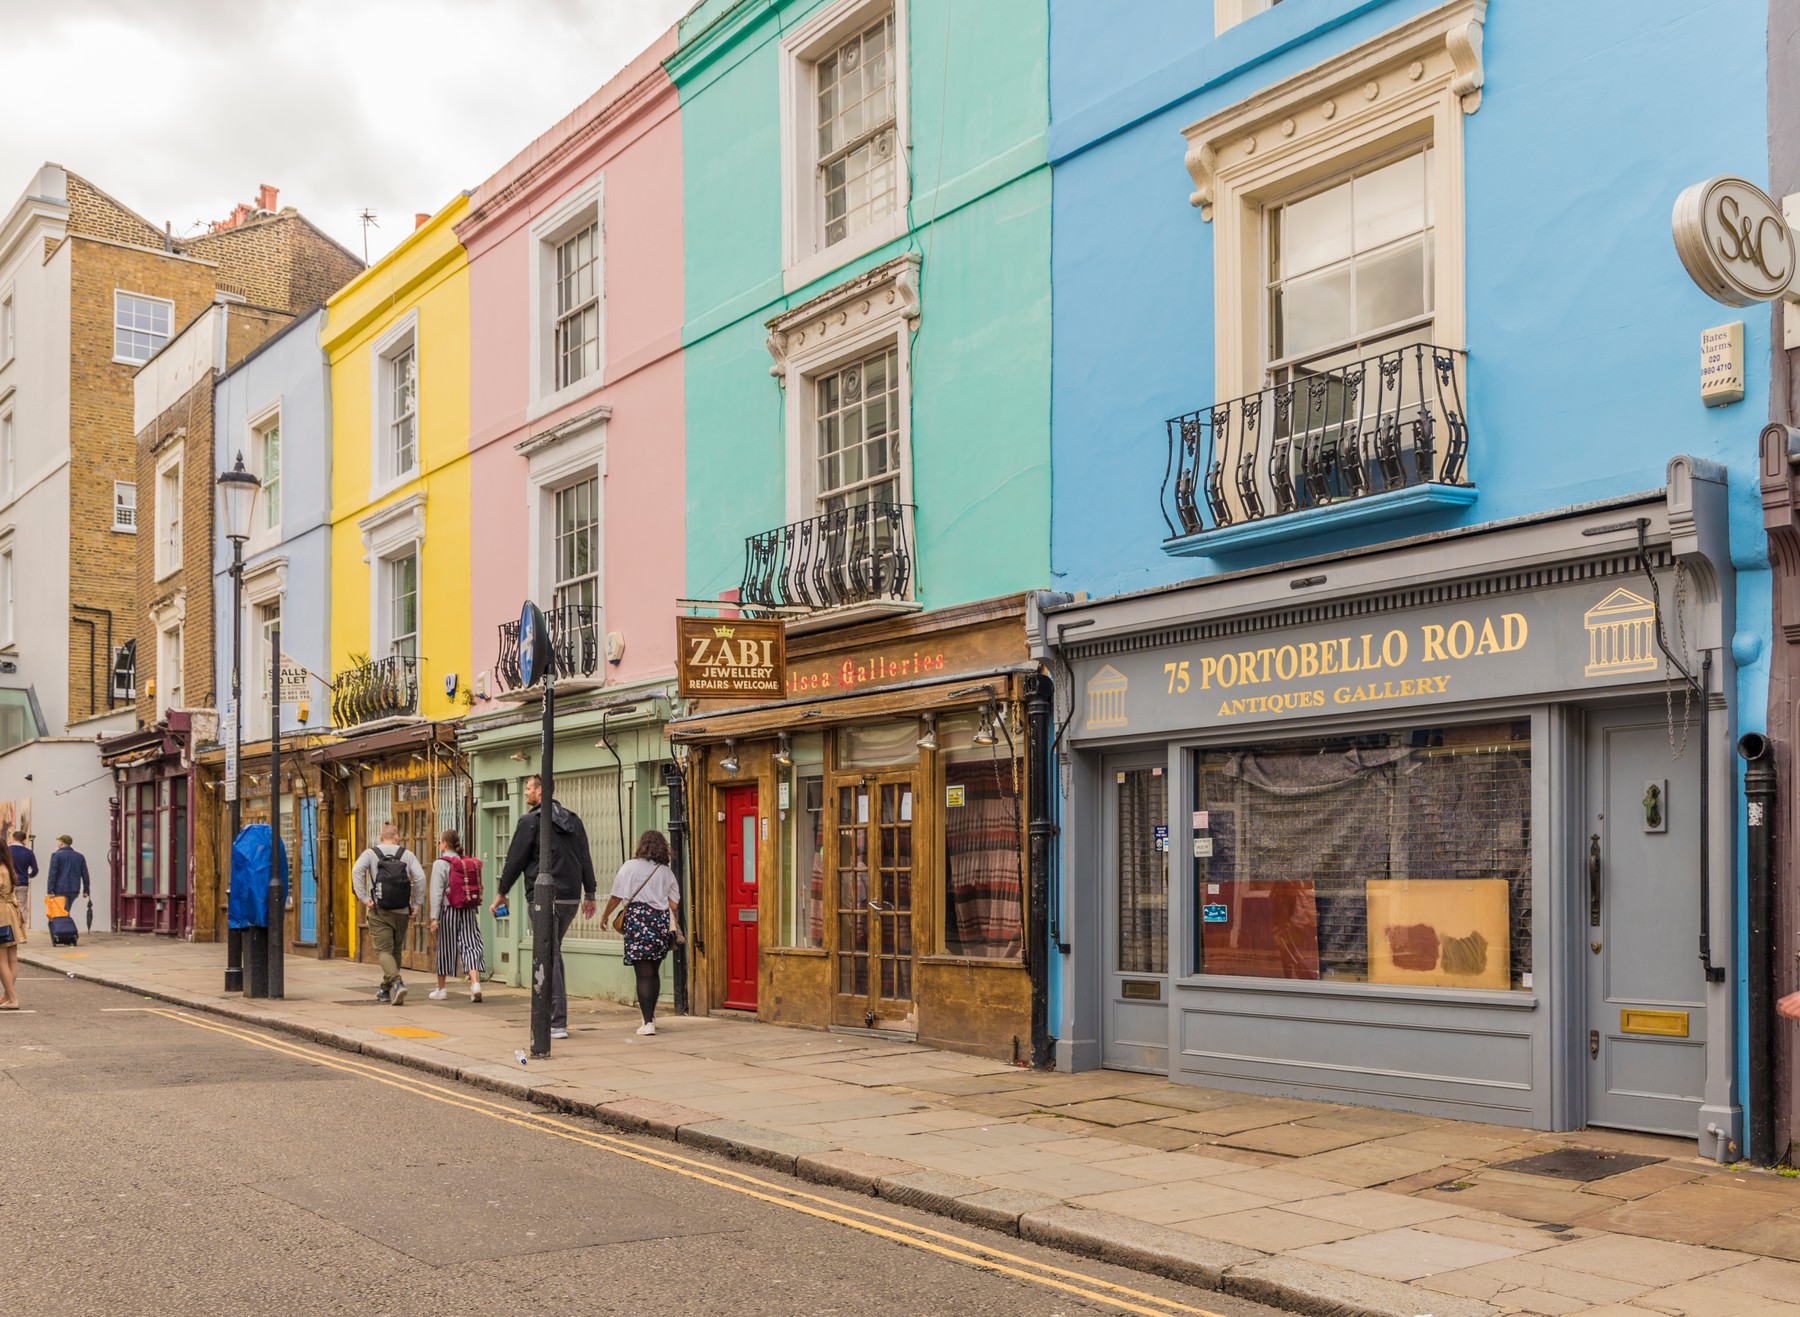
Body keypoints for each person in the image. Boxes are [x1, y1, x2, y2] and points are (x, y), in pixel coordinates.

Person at [492, 775, 596, 1040]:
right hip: (571, 897)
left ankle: (556, 1020)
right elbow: (585, 856)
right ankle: (554, 1017)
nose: (525, 792)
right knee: (552, 952)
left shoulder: (530, 822)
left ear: (539, 791)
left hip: (544, 898)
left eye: (527, 788)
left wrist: (501, 893)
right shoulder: (573, 820)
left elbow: (514, 860)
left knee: (547, 954)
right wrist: (590, 892)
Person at [600, 830, 682, 1037]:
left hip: (637, 920)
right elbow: (673, 903)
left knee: (642, 974)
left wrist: (605, 915)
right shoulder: (666, 872)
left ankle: (647, 1022)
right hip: (660, 922)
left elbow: (616, 896)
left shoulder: (629, 867)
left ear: (641, 846)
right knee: (653, 972)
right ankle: (651, 1016)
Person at [350, 822, 424, 1006]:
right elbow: (421, 878)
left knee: (383, 951)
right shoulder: (407, 854)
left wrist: (364, 897)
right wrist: (416, 904)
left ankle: (397, 984)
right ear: (397, 837)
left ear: (380, 837)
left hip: (379, 910)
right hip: (401, 910)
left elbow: (356, 871)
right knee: (395, 951)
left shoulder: (371, 853)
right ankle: (385, 990)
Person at [428, 829, 484, 1002]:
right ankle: (475, 984)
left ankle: (442, 989)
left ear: (444, 844)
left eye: (440, 842)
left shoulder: (440, 863)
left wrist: (434, 918)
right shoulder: (464, 861)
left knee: (445, 946)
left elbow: (436, 892)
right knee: (470, 944)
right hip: (467, 909)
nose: (439, 845)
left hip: (448, 909)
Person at [0, 843, 23, 1010]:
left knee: (1, 959)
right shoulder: (8, 868)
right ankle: (7, 996)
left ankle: (12, 998)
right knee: (11, 958)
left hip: (1, 913)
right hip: (11, 913)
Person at [46, 835, 89, 916]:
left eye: (58, 841)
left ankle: (64, 927)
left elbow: (53, 873)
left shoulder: (56, 855)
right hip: (74, 888)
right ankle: (66, 926)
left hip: (60, 888)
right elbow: (85, 874)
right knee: (66, 910)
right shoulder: (79, 856)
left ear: (62, 843)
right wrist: (86, 889)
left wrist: (50, 890)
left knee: (62, 911)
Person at [8, 832, 36, 905]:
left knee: (7, 908)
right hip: (22, 883)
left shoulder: (7, 851)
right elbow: (35, 869)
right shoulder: (28, 852)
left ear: (13, 838)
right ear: (24, 840)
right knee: (21, 908)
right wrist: (29, 875)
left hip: (8, 882)